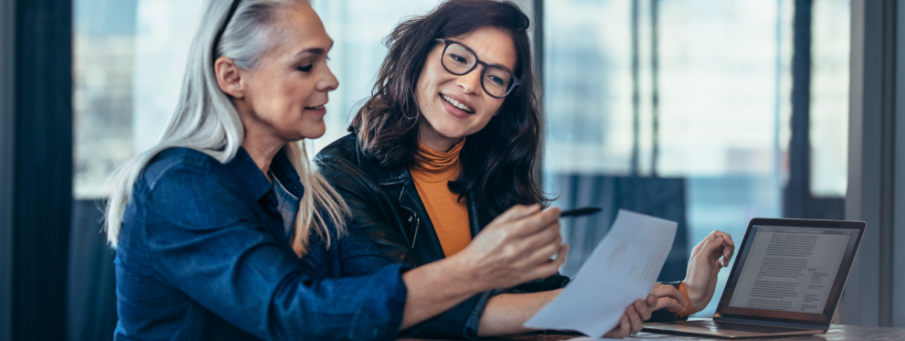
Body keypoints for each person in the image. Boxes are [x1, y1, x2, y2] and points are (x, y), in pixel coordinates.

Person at [104, 0, 585, 339]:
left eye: (327, 60)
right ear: (233, 77)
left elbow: (388, 298)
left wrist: (590, 307)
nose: (331, 80)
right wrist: (476, 268)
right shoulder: (181, 183)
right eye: (305, 66)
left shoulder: (300, 190)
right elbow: (293, 312)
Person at [314, 0, 736, 337]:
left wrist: (685, 295)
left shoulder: (491, 175)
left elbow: (535, 294)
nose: (470, 85)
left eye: (495, 78)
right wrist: (590, 308)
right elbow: (409, 306)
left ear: (503, 104)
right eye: (458, 57)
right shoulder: (339, 174)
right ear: (420, 55)